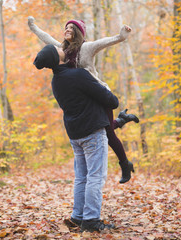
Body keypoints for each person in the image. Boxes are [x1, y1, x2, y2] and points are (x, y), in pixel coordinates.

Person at [28, 16, 138, 184]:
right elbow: (46, 38)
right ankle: (121, 120)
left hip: (99, 92)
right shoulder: (61, 50)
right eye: (66, 28)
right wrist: (33, 27)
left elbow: (106, 41)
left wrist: (122, 36)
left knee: (107, 133)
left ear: (78, 33)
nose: (68, 30)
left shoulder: (86, 47)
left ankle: (125, 164)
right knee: (103, 126)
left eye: (72, 28)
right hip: (85, 96)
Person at [33, 44, 117, 232]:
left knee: (82, 177)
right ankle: (91, 220)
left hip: (75, 134)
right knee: (95, 176)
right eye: (57, 47)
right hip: (93, 132)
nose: (60, 45)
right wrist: (110, 95)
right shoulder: (78, 75)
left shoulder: (56, 81)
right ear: (58, 56)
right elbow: (110, 100)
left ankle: (78, 216)